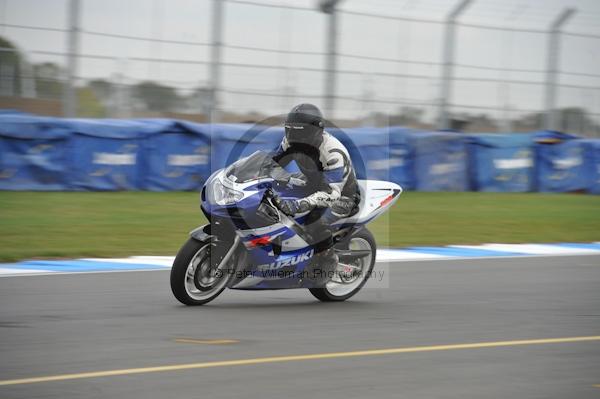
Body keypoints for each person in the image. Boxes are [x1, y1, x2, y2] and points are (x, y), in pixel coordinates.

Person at [272, 103, 360, 286]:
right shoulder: (290, 141)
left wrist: (299, 205)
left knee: (314, 220)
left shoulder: (333, 152)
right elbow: (273, 163)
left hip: (342, 196)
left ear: (314, 131)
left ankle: (327, 260)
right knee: (272, 194)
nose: (293, 137)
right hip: (311, 185)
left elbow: (330, 192)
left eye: (299, 132)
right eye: (290, 131)